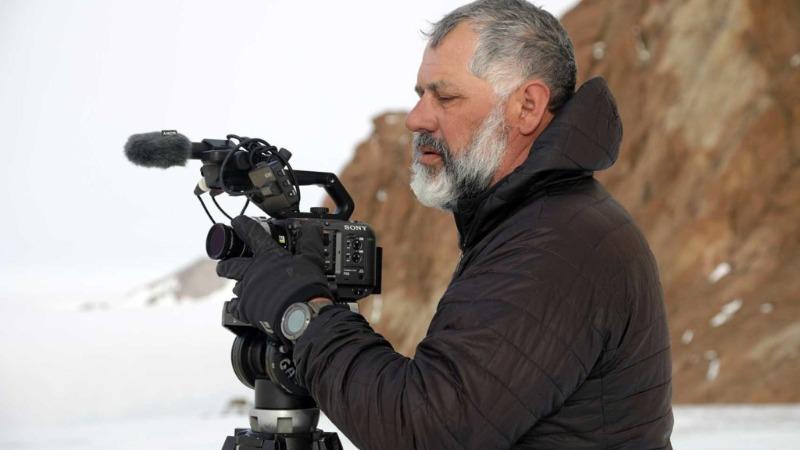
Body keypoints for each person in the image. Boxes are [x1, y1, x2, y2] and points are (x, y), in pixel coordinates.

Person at [216, 0, 674, 448]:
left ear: (527, 107)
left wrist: (301, 313)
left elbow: (425, 428)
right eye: (420, 95)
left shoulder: (553, 244)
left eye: (445, 96)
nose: (416, 119)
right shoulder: (544, 221)